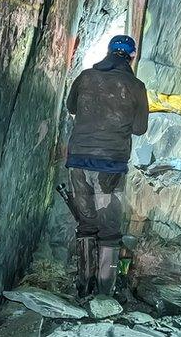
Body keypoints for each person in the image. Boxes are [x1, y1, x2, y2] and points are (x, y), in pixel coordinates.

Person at [65, 34, 149, 298]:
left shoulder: (86, 76)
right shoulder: (136, 86)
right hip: (109, 168)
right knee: (109, 229)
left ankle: (83, 288)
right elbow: (140, 128)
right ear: (132, 57)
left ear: (109, 51)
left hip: (78, 162)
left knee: (86, 224)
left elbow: (71, 107)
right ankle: (105, 292)